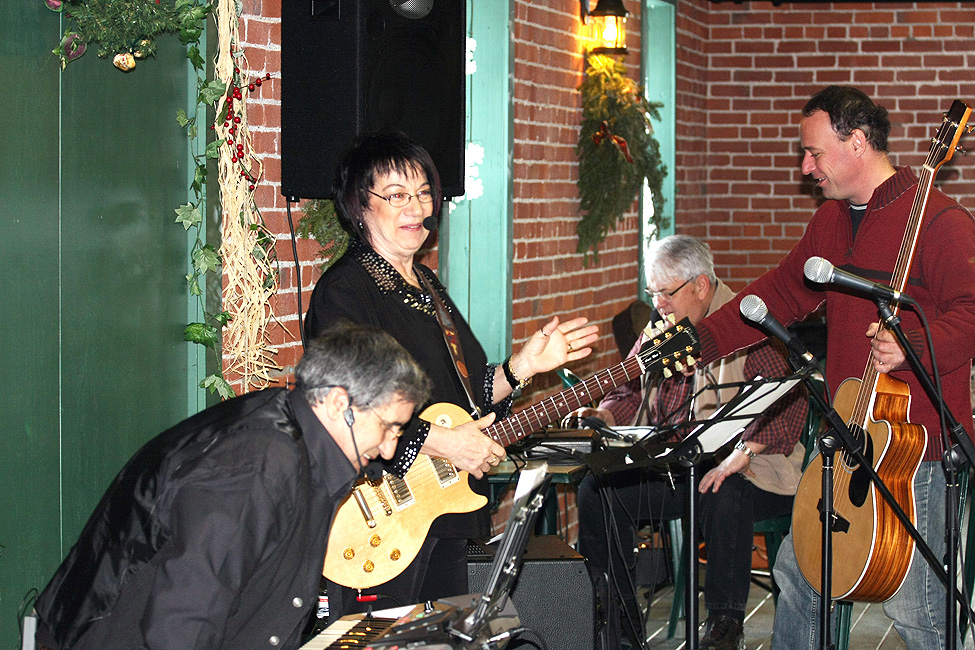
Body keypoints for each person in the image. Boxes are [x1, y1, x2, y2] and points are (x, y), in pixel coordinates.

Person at [692, 86, 975, 650]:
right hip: (845, 441)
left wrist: (913, 344)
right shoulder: (829, 222)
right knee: (800, 580)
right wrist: (696, 340)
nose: (805, 166)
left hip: (912, 454)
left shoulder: (942, 222)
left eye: (815, 153)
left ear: (859, 141)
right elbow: (778, 293)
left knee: (920, 612)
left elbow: (971, 312)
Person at [304, 129, 599, 616]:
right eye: (396, 195)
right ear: (359, 206)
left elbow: (473, 396)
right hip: (380, 511)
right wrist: (443, 443)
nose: (415, 207)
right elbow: (348, 403)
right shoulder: (345, 291)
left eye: (423, 193)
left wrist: (525, 366)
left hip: (442, 505)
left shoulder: (426, 284)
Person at [32, 323, 432, 650]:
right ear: (337, 403)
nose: (389, 447)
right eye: (389, 426)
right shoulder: (258, 465)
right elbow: (185, 620)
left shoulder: (296, 433)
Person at [574, 234, 808, 650]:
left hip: (753, 472)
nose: (658, 304)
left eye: (665, 293)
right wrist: (607, 415)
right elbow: (628, 387)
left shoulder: (747, 324)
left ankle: (724, 624)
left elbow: (788, 400)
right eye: (652, 292)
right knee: (599, 490)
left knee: (723, 487)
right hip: (678, 465)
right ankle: (620, 628)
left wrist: (743, 452)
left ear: (700, 286)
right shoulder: (659, 329)